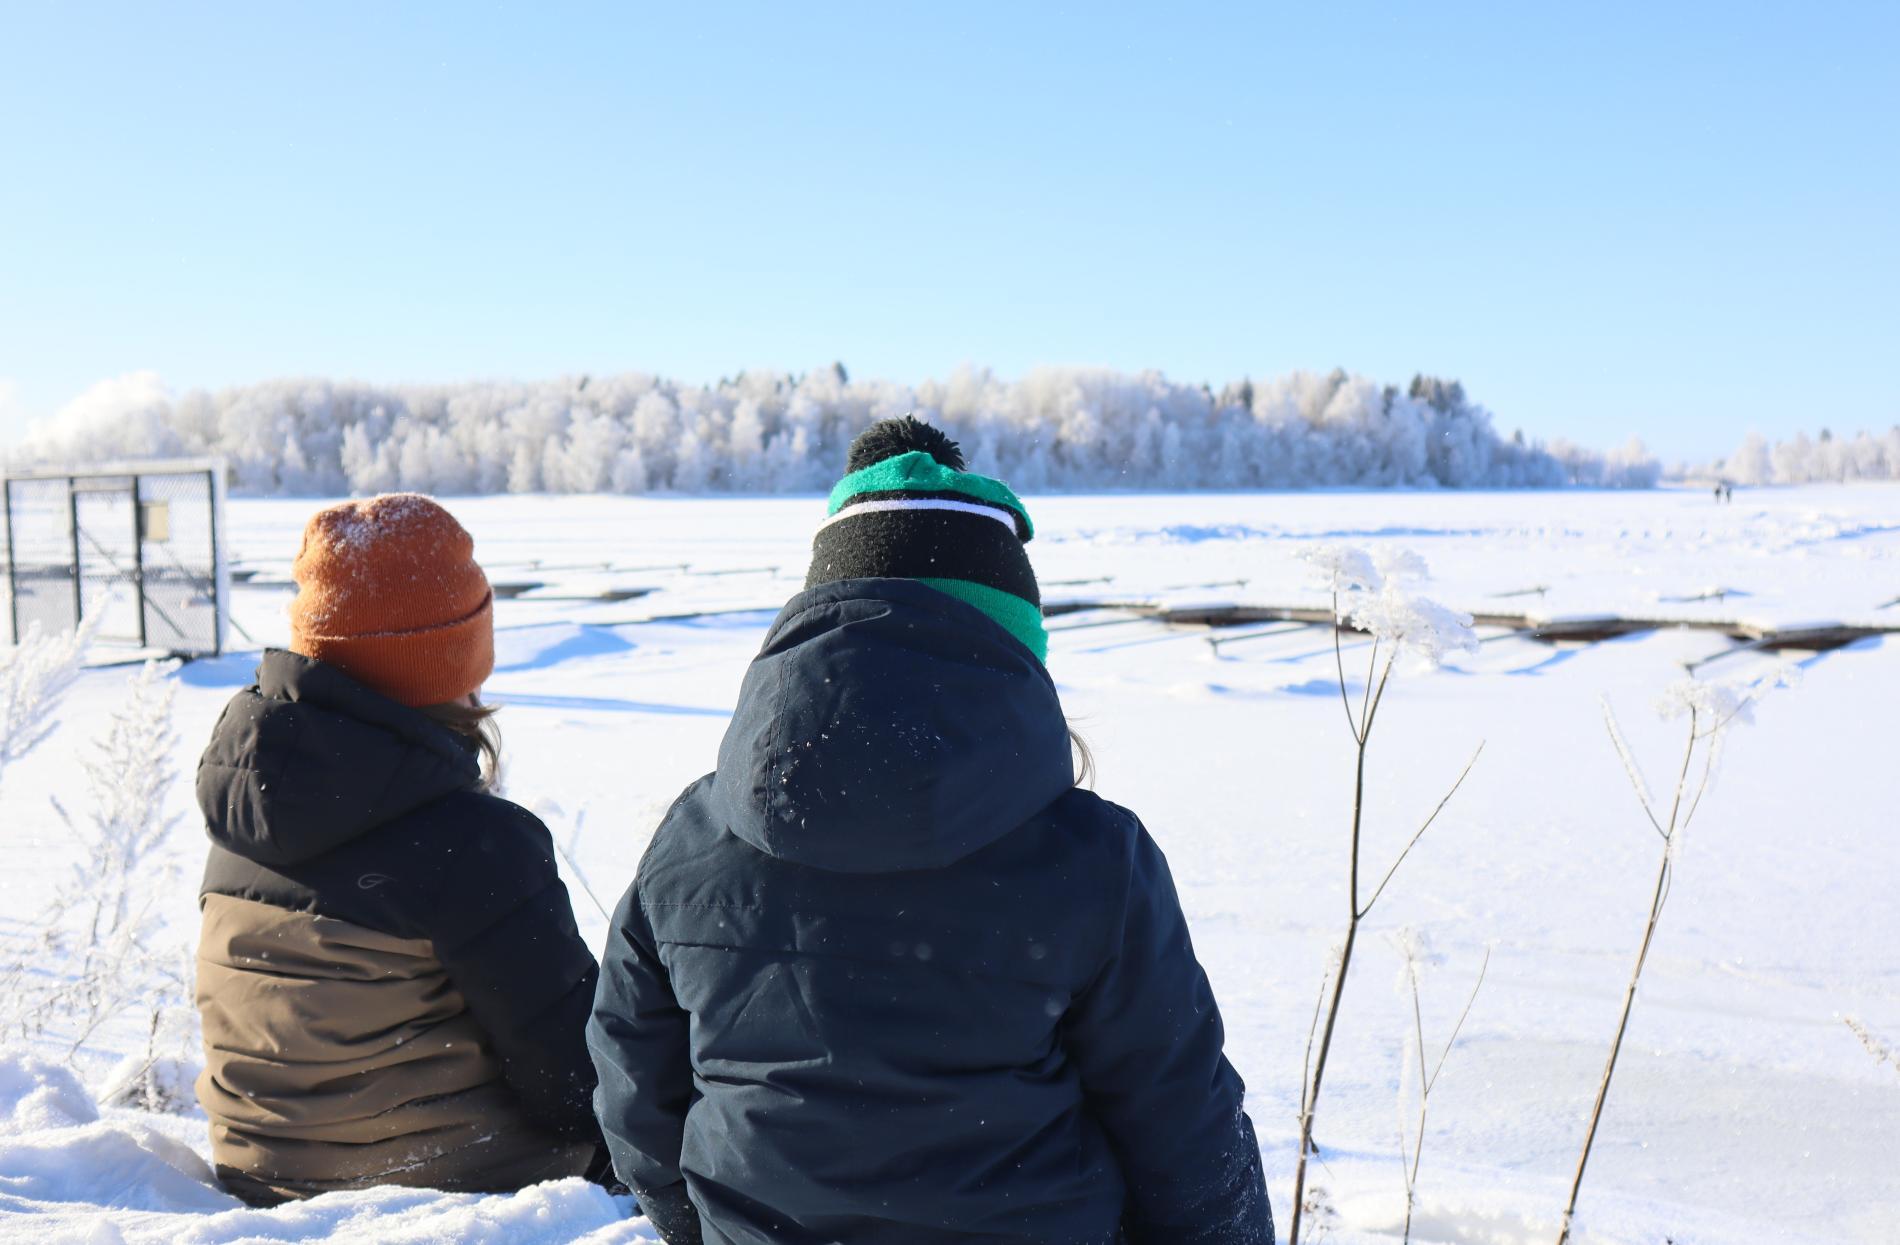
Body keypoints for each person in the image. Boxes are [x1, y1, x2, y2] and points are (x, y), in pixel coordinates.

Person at [589, 418, 1274, 1245]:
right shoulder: (1096, 861)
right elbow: (1186, 1133)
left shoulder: (692, 840)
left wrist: (698, 1227)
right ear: (1012, 654)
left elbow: (634, 1085)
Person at [194, 493, 607, 1205]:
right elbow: (575, 1082)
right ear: (449, 662)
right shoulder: (476, 843)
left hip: (259, 1177)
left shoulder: (247, 810)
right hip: (436, 1186)